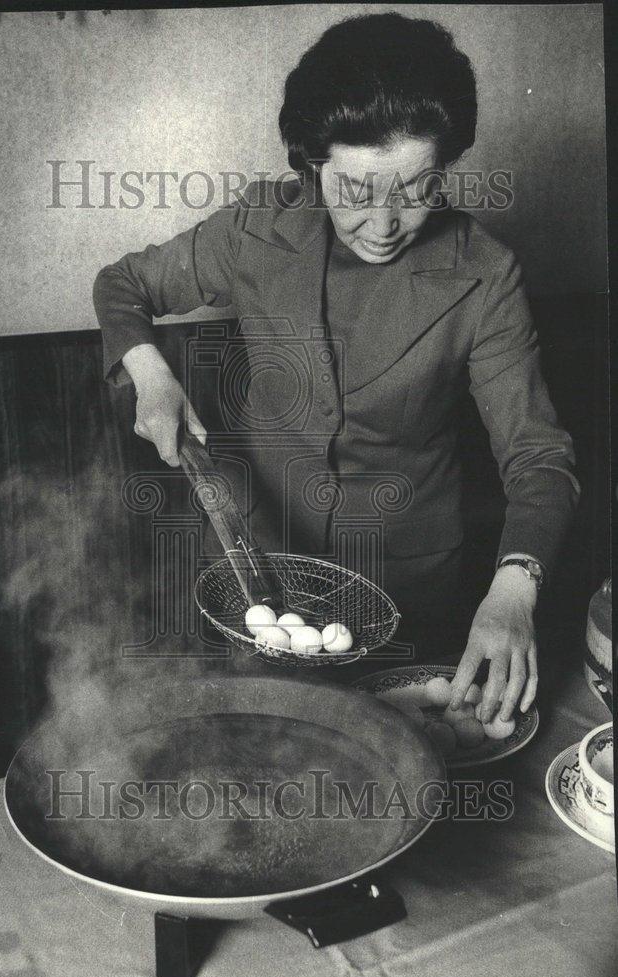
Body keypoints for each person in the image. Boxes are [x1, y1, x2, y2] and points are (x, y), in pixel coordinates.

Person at [93, 12, 579, 723]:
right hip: (253, 569)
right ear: (310, 163)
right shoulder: (257, 227)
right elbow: (123, 285)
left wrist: (515, 587)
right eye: (354, 190)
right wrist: (149, 369)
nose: (384, 222)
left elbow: (539, 457)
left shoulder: (487, 275)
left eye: (416, 189)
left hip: (406, 592)